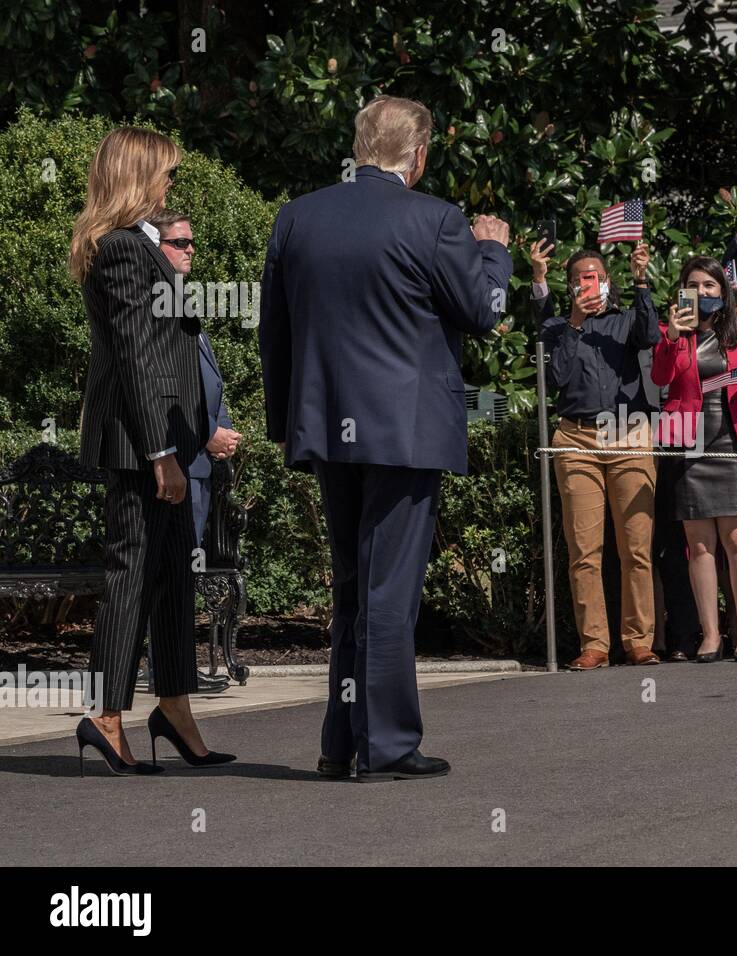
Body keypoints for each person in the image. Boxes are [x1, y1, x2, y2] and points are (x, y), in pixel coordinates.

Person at [260, 95, 511, 781]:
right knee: (388, 592)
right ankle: (389, 744)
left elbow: (273, 332)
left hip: (328, 429)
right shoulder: (435, 219)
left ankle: (341, 741)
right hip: (404, 432)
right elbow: (485, 312)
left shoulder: (298, 217)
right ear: (419, 153)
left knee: (351, 586)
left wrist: (286, 424)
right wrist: (494, 251)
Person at [70, 127, 233, 774]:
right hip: (141, 447)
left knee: (172, 580)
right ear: (138, 177)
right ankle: (104, 717)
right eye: (165, 174)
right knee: (130, 577)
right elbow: (138, 356)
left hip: (163, 442)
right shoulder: (122, 252)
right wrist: (162, 453)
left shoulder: (142, 250)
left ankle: (173, 707)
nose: (171, 185)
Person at [539, 244, 662, 669]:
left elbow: (652, 337)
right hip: (576, 440)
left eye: (595, 275)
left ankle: (639, 640)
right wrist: (574, 322)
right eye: (581, 277)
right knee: (585, 551)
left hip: (628, 434)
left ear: (607, 279)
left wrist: (642, 280)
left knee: (637, 548)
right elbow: (555, 377)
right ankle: (594, 644)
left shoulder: (628, 319)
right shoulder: (557, 326)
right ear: (570, 285)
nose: (589, 282)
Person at [652, 256, 737, 662]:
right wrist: (672, 337)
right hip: (689, 442)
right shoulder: (672, 332)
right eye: (695, 285)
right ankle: (711, 634)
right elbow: (661, 379)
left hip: (733, 441)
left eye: (711, 286)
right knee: (698, 545)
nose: (703, 292)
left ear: (724, 292)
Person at [148, 209, 242, 545]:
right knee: (175, 574)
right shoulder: (155, 305)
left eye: (191, 243)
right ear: (156, 246)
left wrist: (224, 429)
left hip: (199, 464)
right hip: (180, 460)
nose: (191, 249)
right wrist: (208, 432)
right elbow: (164, 384)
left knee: (187, 574)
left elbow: (208, 381)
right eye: (181, 242)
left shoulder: (178, 299)